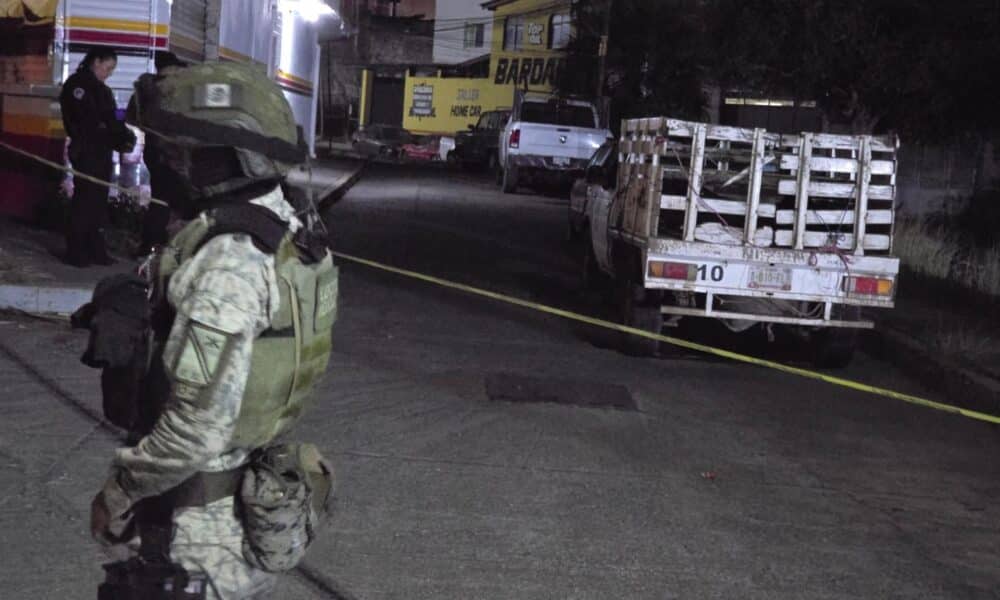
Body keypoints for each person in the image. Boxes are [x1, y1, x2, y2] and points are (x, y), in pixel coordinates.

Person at [87, 62, 336, 599]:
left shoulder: (230, 263)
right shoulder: (287, 230)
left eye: (167, 150)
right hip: (241, 503)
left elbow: (193, 430)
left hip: (191, 538)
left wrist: (118, 492)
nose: (157, 161)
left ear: (218, 157)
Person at [59, 47, 135, 267]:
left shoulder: (100, 89)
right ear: (96, 61)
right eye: (108, 68)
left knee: (98, 200)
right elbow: (91, 121)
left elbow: (111, 116)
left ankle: (94, 249)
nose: (109, 73)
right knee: (85, 199)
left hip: (101, 151)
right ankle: (77, 250)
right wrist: (115, 130)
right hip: (87, 149)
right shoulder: (79, 86)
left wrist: (123, 126)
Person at [130, 51, 187, 257]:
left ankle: (150, 244)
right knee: (172, 202)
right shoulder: (171, 89)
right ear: (169, 68)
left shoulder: (146, 87)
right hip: (172, 153)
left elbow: (132, 118)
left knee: (160, 199)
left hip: (154, 151)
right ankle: (161, 246)